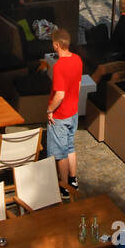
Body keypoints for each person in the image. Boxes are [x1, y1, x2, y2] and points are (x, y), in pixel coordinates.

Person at [46, 28, 82, 201]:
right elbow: (79, 83)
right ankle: (73, 180)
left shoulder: (59, 66)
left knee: (60, 154)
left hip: (60, 115)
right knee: (70, 146)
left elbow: (59, 94)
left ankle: (64, 186)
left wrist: (50, 110)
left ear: (57, 45)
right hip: (73, 111)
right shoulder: (77, 59)